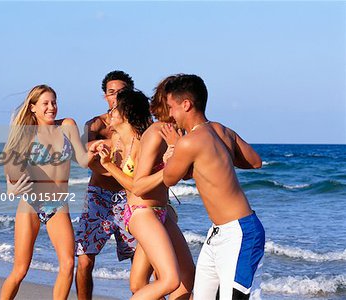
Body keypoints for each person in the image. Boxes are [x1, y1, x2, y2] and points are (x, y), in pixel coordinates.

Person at [161, 74, 265, 300]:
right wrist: (219, 157)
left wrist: (173, 146)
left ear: (186, 104)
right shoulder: (221, 130)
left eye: (171, 107)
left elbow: (169, 178)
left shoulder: (189, 142)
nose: (170, 114)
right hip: (218, 233)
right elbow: (255, 161)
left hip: (239, 233)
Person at [0, 84, 98, 300]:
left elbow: (82, 161)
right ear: (33, 107)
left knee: (68, 263)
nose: (51, 107)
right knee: (20, 270)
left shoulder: (67, 125)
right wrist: (11, 188)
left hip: (58, 205)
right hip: (31, 204)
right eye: (45, 103)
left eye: (54, 102)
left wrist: (96, 149)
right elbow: (11, 173)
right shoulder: (25, 135)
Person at [129, 76, 195, 299]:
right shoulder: (157, 132)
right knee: (170, 280)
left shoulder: (175, 134)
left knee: (188, 277)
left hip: (161, 213)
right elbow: (138, 185)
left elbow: (181, 176)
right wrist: (167, 167)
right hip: (142, 211)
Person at [74, 71, 136, 299]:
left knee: (138, 257)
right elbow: (82, 155)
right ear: (105, 96)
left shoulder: (140, 124)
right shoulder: (96, 124)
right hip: (99, 196)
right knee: (84, 259)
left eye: (122, 92)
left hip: (128, 196)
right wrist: (98, 144)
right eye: (112, 93)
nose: (116, 97)